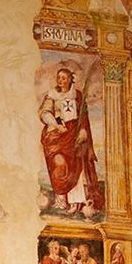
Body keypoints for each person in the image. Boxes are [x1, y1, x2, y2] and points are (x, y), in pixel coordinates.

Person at [39, 66, 104, 216]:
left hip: (74, 134)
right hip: (57, 135)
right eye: (59, 77)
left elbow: (83, 117)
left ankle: (76, 201)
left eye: (64, 77)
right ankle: (61, 200)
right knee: (58, 164)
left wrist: (83, 131)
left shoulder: (77, 96)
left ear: (70, 79)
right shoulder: (52, 96)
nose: (60, 80)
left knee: (76, 167)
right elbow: (44, 113)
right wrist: (55, 125)